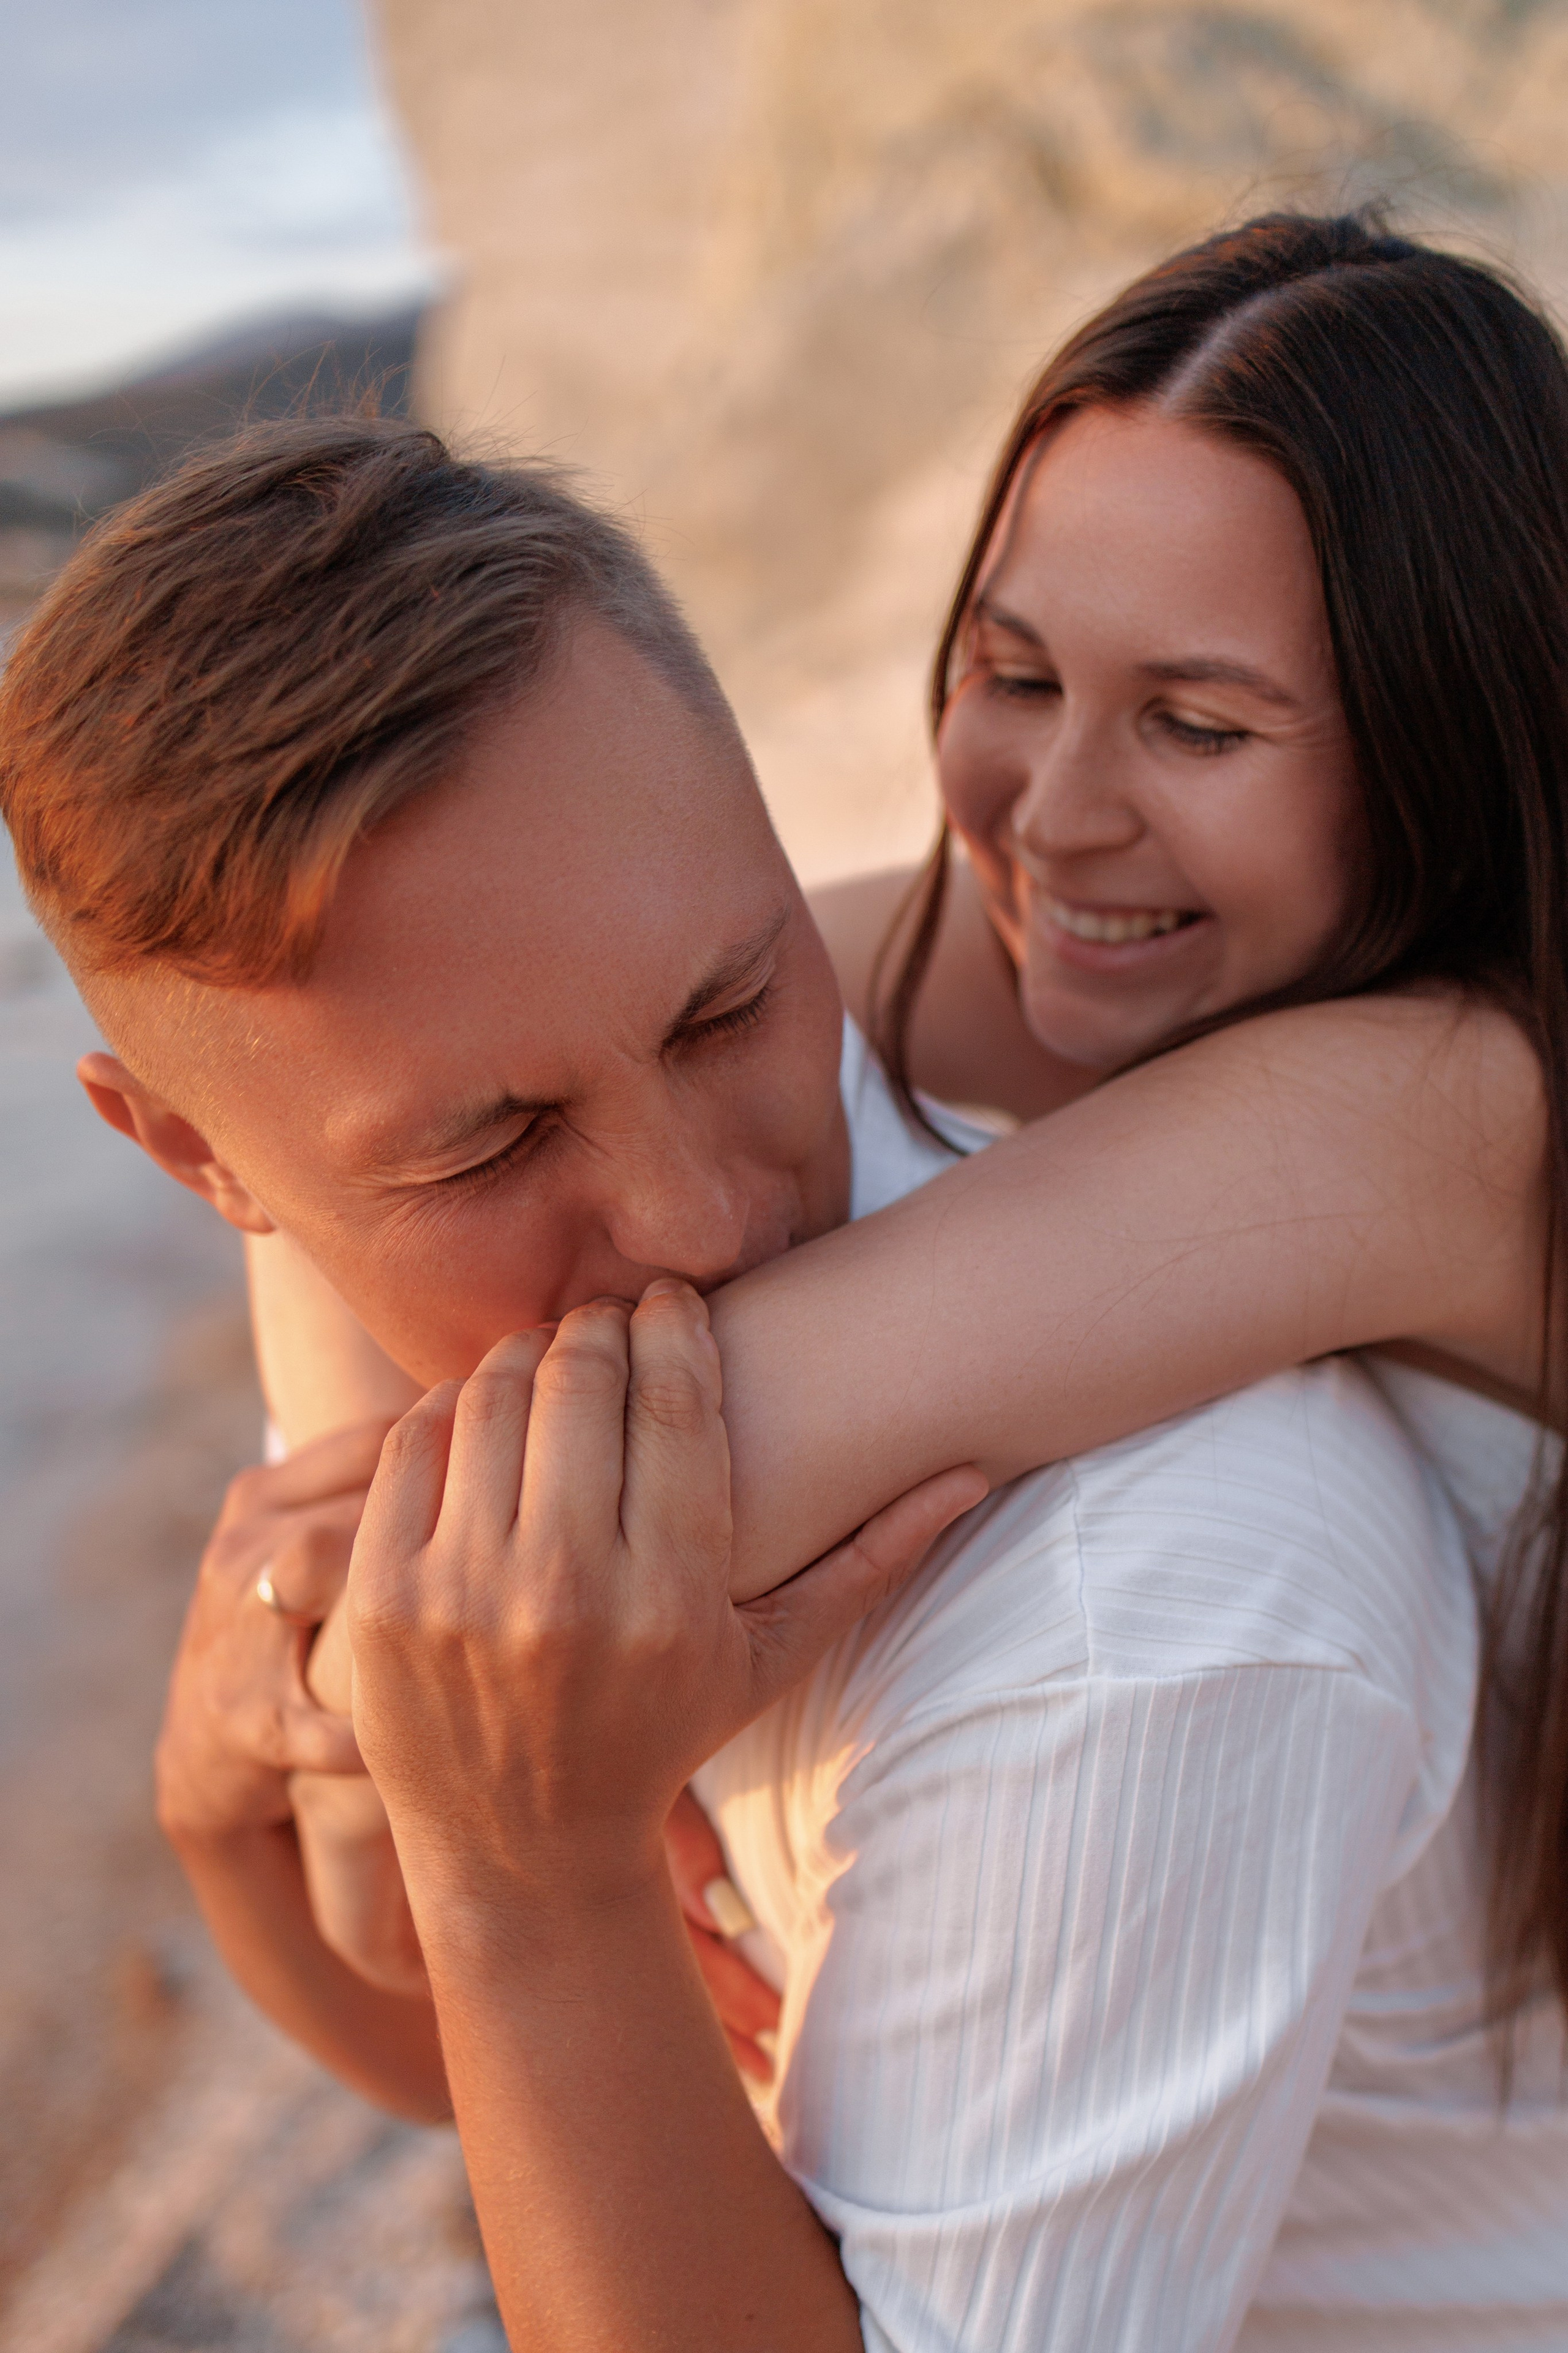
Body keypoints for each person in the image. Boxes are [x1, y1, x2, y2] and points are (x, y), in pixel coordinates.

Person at [0, 209, 1562, 2341]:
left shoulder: (1453, 1128)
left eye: (1201, 721)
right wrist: (305, 1812)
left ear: (1455, 738)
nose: (1049, 818)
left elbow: (742, 1409)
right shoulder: (876, 972)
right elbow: (534, 2098)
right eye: (1011, 675)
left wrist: (420, 1710)